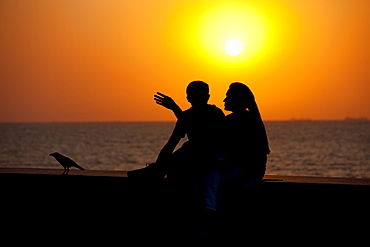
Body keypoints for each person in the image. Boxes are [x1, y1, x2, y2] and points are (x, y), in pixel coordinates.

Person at [127, 81, 225, 212]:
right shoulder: (188, 116)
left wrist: (175, 108)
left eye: (200, 94)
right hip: (193, 161)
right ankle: (156, 171)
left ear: (207, 97)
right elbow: (171, 143)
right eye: (194, 94)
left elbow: (199, 136)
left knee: (188, 149)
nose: (198, 98)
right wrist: (158, 165)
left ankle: (156, 172)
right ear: (188, 98)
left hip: (208, 162)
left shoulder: (215, 113)